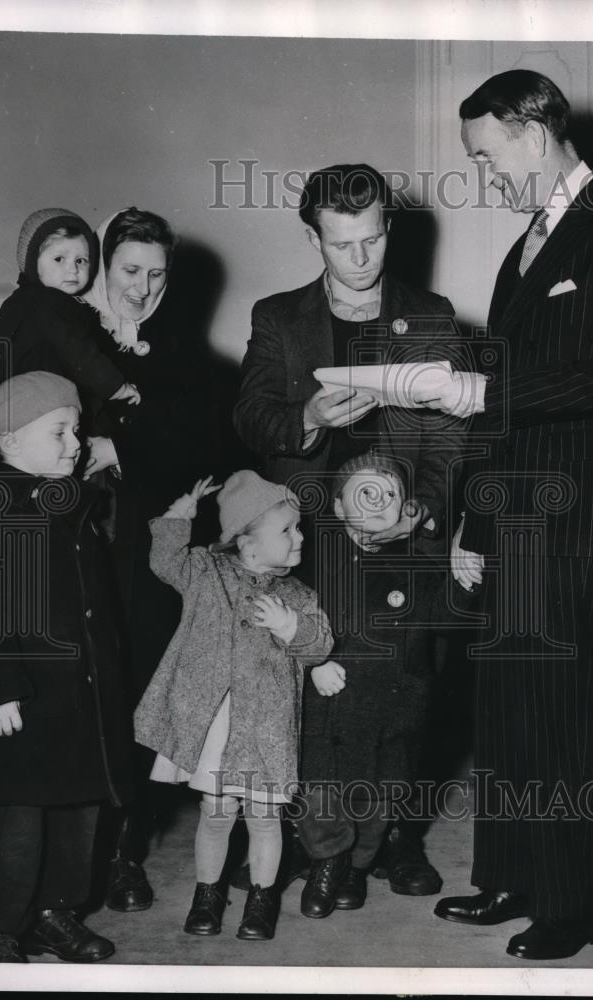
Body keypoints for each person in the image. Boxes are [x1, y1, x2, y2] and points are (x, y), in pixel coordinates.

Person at [420, 70, 593, 961]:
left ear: (533, 133)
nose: (483, 175)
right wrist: (471, 522)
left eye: (485, 154)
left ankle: (570, 900)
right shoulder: (522, 252)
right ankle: (506, 874)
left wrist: (476, 387)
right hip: (509, 520)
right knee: (506, 706)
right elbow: (497, 410)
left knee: (568, 714)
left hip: (581, 520)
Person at [233, 163, 466, 899]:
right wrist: (304, 418)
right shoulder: (277, 317)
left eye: (371, 241)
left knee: (404, 696)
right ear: (313, 237)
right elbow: (249, 415)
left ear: (388, 229)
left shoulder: (430, 315)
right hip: (312, 540)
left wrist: (420, 511)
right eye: (341, 245)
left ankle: (395, 836)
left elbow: (453, 436)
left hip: (402, 539)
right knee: (317, 693)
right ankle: (322, 840)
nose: (360, 260)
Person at [0, 372, 134, 963]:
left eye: (76, 430)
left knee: (76, 807)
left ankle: (56, 910)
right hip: (17, 695)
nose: (75, 443)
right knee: (13, 817)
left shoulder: (73, 506)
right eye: (59, 430)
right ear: (9, 442)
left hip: (76, 693)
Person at [81, 206, 221, 913]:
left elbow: (201, 449)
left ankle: (122, 852)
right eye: (128, 271)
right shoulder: (65, 332)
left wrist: (121, 450)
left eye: (155, 274)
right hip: (71, 544)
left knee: (134, 687)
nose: (140, 287)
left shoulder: (183, 354)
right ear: (104, 268)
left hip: (139, 549)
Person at [133, 471, 333, 940]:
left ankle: (262, 901)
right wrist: (181, 514)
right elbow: (165, 561)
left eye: (298, 527)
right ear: (246, 544)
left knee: (265, 819)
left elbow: (320, 643)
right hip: (215, 726)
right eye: (286, 530)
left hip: (265, 727)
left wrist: (291, 629)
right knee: (216, 811)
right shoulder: (207, 572)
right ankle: (207, 894)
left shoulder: (299, 596)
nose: (299, 536)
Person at [297, 450, 475, 918]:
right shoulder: (314, 562)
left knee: (379, 798)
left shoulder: (414, 565)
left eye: (392, 494)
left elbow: (449, 614)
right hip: (328, 708)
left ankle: (357, 866)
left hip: (394, 709)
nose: (380, 502)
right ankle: (326, 864)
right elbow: (285, 619)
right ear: (337, 508)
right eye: (366, 492)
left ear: (406, 509)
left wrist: (466, 562)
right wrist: (311, 659)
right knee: (322, 795)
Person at [0, 207, 140, 461]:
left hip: (16, 408)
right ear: (32, 261)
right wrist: (116, 387)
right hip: (30, 407)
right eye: (59, 259)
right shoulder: (47, 300)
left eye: (81, 260)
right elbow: (78, 351)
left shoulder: (31, 300)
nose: (73, 270)